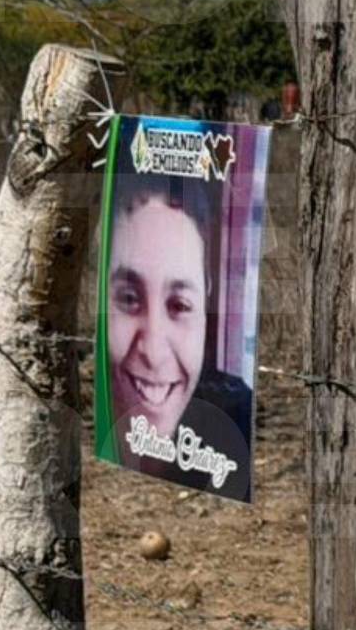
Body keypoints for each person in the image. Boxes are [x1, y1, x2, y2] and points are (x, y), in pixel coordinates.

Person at [104, 155, 253, 500]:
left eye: (180, 305)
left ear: (207, 302)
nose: (153, 351)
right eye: (128, 298)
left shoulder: (237, 420)